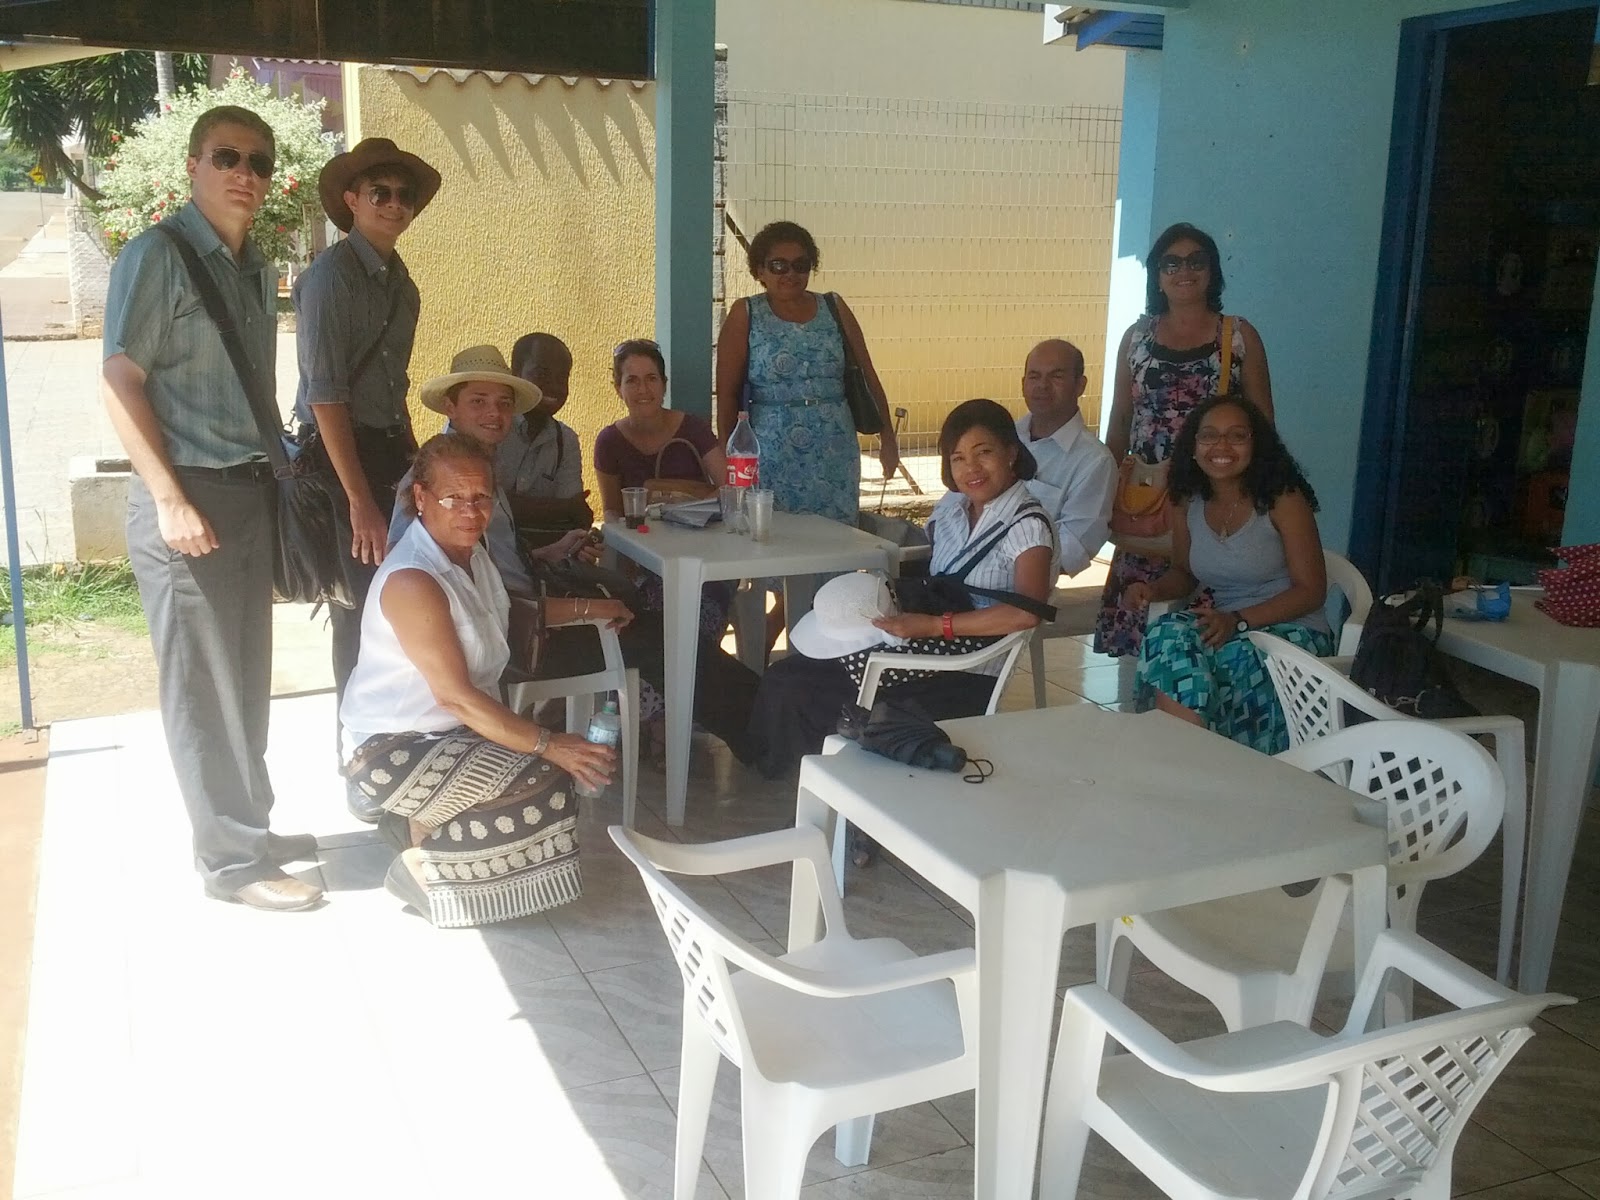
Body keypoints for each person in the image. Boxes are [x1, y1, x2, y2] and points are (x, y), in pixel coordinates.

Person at [102, 105, 322, 912]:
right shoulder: (157, 255)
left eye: (259, 162)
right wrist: (169, 499)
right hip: (189, 495)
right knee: (202, 685)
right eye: (227, 156)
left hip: (248, 493)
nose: (244, 173)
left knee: (245, 674)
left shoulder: (254, 266)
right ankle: (231, 862)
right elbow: (120, 379)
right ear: (193, 165)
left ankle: (249, 826)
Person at [342, 434, 625, 927]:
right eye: (453, 498)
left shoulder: (471, 556)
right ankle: (423, 869)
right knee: (544, 779)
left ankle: (424, 831)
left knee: (550, 783)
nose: (470, 511)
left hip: (455, 735)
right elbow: (455, 697)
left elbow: (510, 613)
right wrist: (551, 743)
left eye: (481, 497)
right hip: (393, 748)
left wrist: (593, 608)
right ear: (421, 498)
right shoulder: (413, 579)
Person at [747, 398, 1059, 780]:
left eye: (984, 453)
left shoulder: (1028, 526)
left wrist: (935, 626)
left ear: (1011, 453)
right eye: (958, 458)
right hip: (923, 646)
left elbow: (1026, 613)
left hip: (963, 672)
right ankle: (777, 762)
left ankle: (811, 783)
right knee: (789, 673)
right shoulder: (954, 510)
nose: (971, 468)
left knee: (802, 690)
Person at [293, 138, 442, 761]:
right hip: (339, 459)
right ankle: (358, 757)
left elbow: (393, 385)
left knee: (399, 602)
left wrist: (414, 462)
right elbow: (326, 396)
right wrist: (359, 500)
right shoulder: (330, 278)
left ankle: (396, 743)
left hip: (387, 455)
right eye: (380, 193)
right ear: (352, 200)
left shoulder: (403, 285)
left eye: (404, 195)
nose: (394, 204)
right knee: (356, 611)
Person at [715, 221, 901, 643]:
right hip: (773, 453)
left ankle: (801, 642)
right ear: (759, 270)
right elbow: (726, 394)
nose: (789, 274)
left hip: (834, 453)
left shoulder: (833, 307)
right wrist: (730, 463)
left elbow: (867, 374)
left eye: (800, 265)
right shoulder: (746, 314)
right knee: (780, 550)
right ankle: (770, 638)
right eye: (778, 265)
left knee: (833, 552)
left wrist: (888, 438)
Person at [1096, 222, 1275, 659]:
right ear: (1157, 276)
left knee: (1206, 635)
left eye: (1196, 261)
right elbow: (1121, 419)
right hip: (1148, 498)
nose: (1184, 271)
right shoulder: (1137, 338)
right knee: (1143, 618)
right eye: (1171, 263)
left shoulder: (1239, 337)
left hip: (1212, 493)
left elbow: (1263, 425)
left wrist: (1259, 496)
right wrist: (1102, 490)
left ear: (1213, 272)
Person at [387, 345, 608, 695]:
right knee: (638, 629)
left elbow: (490, 559)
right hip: (502, 636)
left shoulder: (483, 469)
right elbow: (419, 575)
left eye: (504, 403)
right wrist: (579, 609)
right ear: (450, 407)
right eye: (478, 401)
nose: (494, 413)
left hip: (522, 610)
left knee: (632, 607)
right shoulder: (435, 480)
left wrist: (548, 552)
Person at [1126, 396, 1329, 755]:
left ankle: (1192, 758)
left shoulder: (1283, 499)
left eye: (1237, 436)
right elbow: (1185, 573)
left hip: (1292, 631)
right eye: (1209, 436)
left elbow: (1311, 591)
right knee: (1166, 633)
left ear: (1256, 444)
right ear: (1193, 446)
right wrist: (1151, 589)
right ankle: (1184, 756)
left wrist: (1239, 620)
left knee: (1225, 662)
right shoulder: (1187, 501)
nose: (1221, 446)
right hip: (1227, 624)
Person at [593, 339, 759, 760]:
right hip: (645, 564)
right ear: (618, 387)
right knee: (646, 615)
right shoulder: (609, 441)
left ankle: (670, 718)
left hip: (705, 563)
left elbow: (732, 492)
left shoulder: (694, 430)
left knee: (694, 610)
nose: (643, 389)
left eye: (651, 378)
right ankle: (662, 715)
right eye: (632, 380)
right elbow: (612, 513)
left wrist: (664, 490)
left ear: (664, 384)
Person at [1018, 339, 1117, 580]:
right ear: (1023, 384)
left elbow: (1072, 550)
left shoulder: (1095, 462)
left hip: (1018, 590)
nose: (1042, 386)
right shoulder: (1001, 438)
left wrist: (993, 562)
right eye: (1034, 376)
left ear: (1080, 385)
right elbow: (951, 509)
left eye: (1056, 376)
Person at [499, 332, 594, 535]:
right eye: (541, 374)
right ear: (516, 373)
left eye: (562, 377)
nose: (554, 386)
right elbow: (488, 507)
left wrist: (564, 509)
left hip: (547, 549)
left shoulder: (565, 440)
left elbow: (577, 516)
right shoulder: (492, 427)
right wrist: (563, 508)